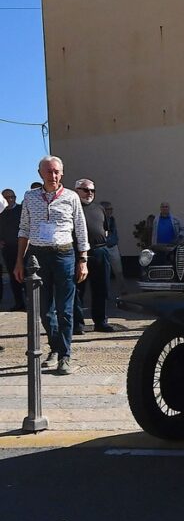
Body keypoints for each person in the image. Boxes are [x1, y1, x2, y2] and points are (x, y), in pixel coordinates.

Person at [14, 156, 89, 374]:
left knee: (65, 310)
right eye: (48, 171)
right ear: (40, 173)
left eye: (56, 171)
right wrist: (19, 261)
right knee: (45, 311)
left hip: (64, 255)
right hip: (37, 257)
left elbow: (80, 229)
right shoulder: (30, 197)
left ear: (62, 173)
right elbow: (23, 229)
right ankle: (55, 348)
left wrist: (83, 259)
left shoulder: (71, 197)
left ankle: (64, 355)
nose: (52, 175)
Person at [73, 180, 114, 333]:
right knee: (78, 290)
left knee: (101, 288)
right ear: (77, 190)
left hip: (100, 252)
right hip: (78, 253)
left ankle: (101, 322)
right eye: (85, 190)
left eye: (92, 190)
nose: (89, 193)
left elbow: (105, 229)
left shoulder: (99, 208)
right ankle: (77, 324)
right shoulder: (72, 208)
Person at [0, 190, 26, 310]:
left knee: (27, 274)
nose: (10, 200)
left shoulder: (22, 210)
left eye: (12, 197)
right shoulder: (1, 212)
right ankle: (19, 302)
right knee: (13, 276)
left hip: (23, 248)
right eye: (6, 198)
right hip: (8, 249)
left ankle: (31, 302)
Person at [101, 200, 125, 291]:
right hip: (104, 246)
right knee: (105, 272)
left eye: (111, 209)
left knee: (118, 270)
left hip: (113, 246)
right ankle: (105, 292)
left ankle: (122, 289)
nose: (110, 211)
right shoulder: (100, 220)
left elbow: (114, 232)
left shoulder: (112, 220)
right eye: (108, 209)